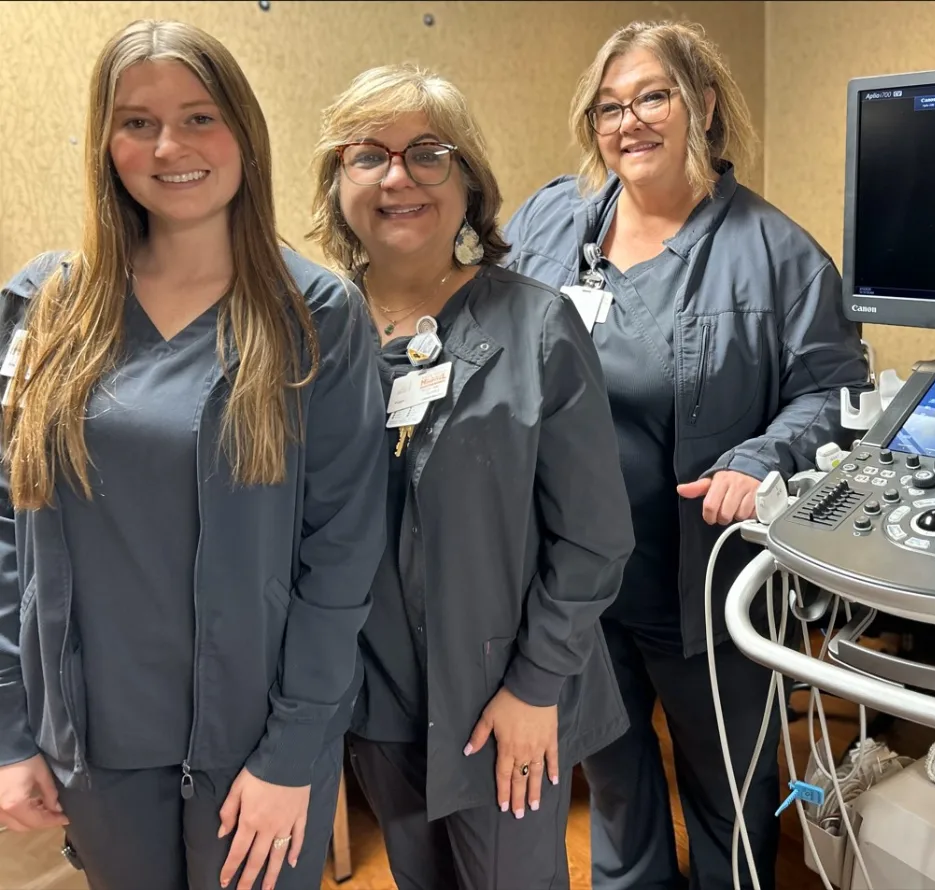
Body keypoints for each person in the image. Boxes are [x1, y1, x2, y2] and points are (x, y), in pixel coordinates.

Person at [0, 19, 386, 890]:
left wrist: (294, 750)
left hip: (255, 745)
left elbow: (342, 552)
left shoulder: (315, 315)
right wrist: (7, 729)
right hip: (94, 746)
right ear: (104, 143)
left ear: (244, 131)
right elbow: (4, 525)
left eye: (199, 117)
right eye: (137, 122)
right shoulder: (45, 306)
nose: (169, 146)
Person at [503, 19, 871, 890]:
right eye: (609, 107)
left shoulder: (779, 256)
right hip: (573, 583)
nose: (628, 122)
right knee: (614, 778)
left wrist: (764, 455)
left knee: (729, 788)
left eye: (653, 97)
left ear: (704, 105)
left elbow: (838, 393)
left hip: (700, 581)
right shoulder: (551, 222)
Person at [307, 64, 635, 889]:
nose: (398, 178)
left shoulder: (538, 326)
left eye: (428, 153)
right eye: (368, 155)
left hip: (507, 692)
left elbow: (594, 538)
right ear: (338, 183)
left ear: (467, 182)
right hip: (374, 694)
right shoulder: (311, 335)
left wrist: (536, 688)